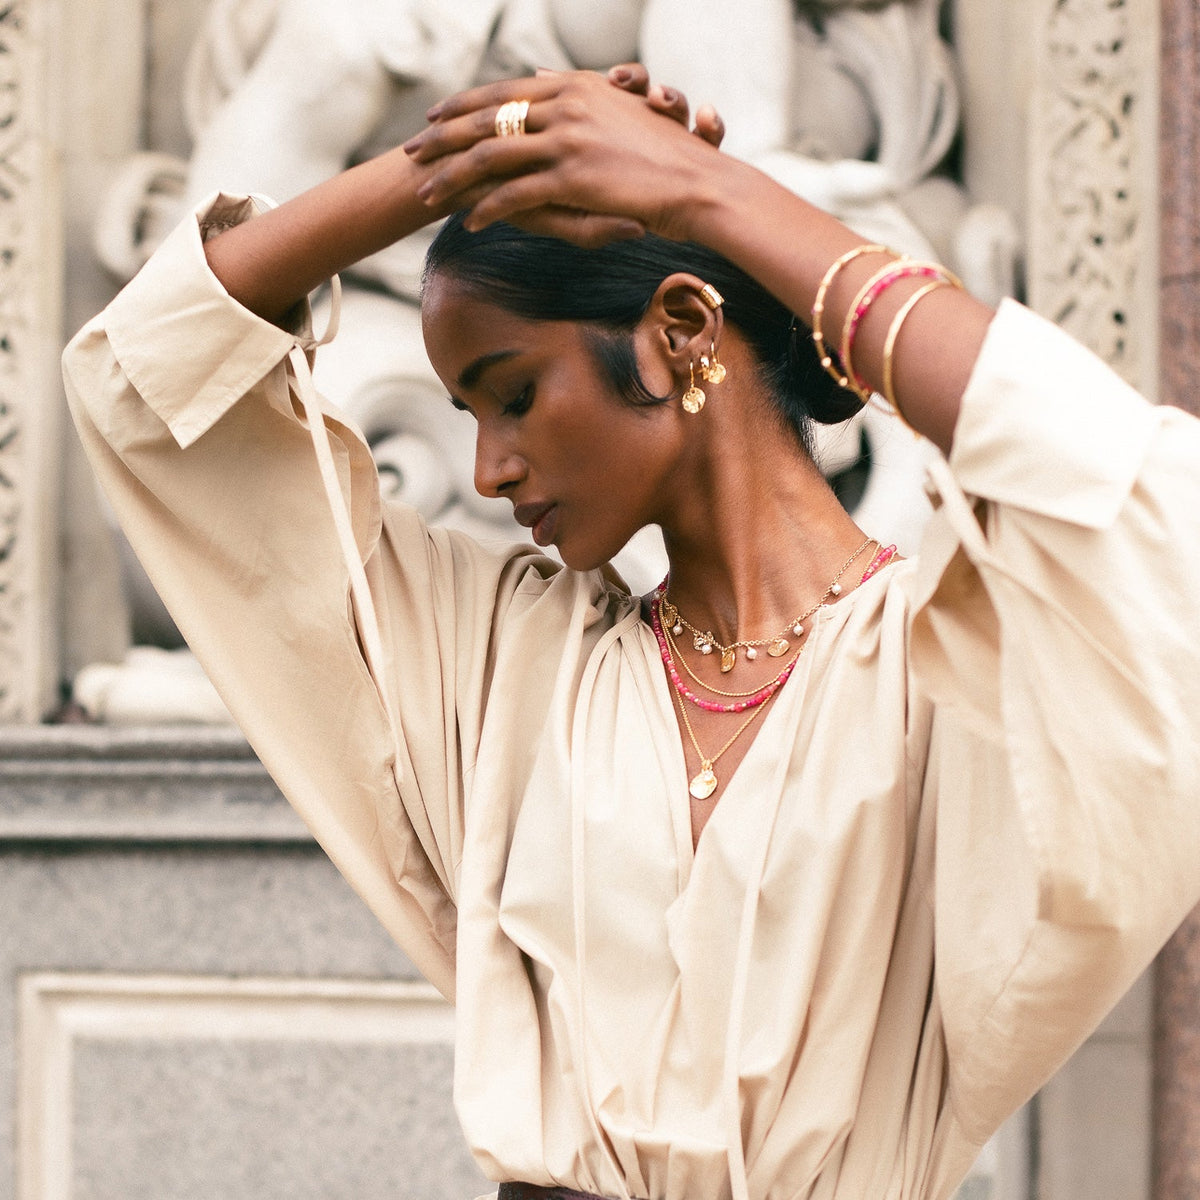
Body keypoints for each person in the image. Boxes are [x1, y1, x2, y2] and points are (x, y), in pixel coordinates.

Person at [63, 65, 1200, 1200]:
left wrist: (707, 193)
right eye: (468, 414)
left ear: (682, 329)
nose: (486, 469)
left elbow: (1144, 515)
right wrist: (479, 155)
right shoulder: (510, 661)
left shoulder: (948, 667)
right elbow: (145, 386)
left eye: (514, 394)